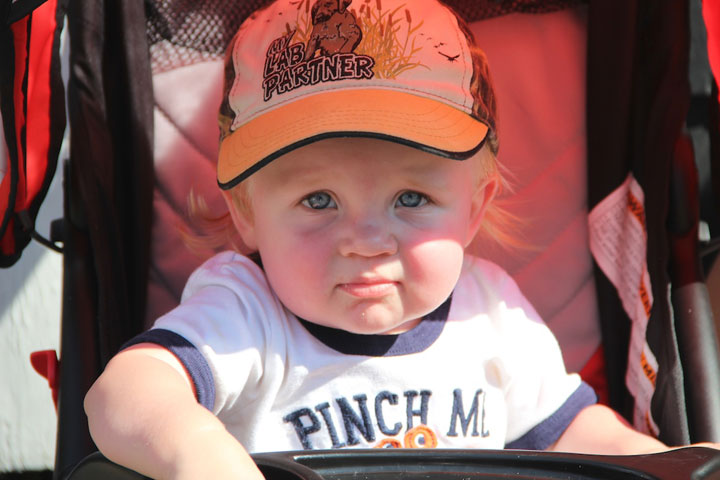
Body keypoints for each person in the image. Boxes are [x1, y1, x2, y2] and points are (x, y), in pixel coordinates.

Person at [83, 0, 716, 479]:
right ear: (246, 214)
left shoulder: (488, 309)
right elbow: (124, 393)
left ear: (474, 208)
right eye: (318, 200)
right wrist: (195, 449)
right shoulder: (247, 312)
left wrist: (662, 461)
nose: (365, 240)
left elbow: (573, 429)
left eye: (411, 199)